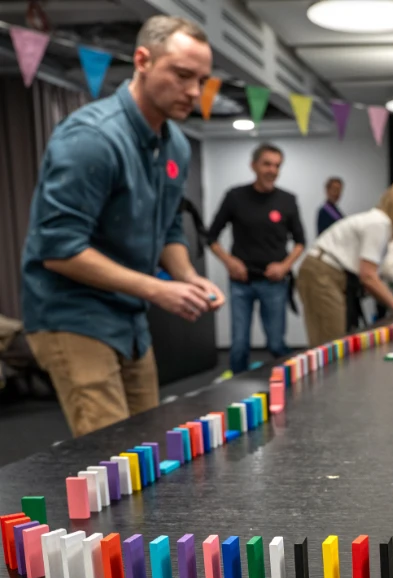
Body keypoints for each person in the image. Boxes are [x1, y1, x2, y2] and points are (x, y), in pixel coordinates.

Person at [19, 15, 224, 438]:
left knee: (147, 444)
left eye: (201, 80)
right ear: (143, 60)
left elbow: (168, 228)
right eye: (182, 75)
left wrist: (187, 278)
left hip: (129, 315)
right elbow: (59, 249)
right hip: (72, 314)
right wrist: (157, 288)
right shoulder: (91, 139)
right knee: (109, 454)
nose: (193, 92)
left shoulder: (176, 145)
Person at [207, 143, 305, 375]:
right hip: (241, 282)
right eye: (267, 164)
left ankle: (291, 385)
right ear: (254, 166)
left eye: (277, 165)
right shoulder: (235, 197)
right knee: (239, 345)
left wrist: (284, 266)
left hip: (274, 283)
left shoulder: (287, 200)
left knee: (275, 343)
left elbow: (300, 242)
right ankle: (236, 392)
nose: (272, 170)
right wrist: (229, 261)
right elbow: (210, 237)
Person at [297, 182, 393, 346]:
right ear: (392, 205)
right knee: (330, 344)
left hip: (327, 271)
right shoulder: (380, 223)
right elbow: (368, 276)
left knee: (332, 341)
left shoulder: (379, 223)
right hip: (323, 272)